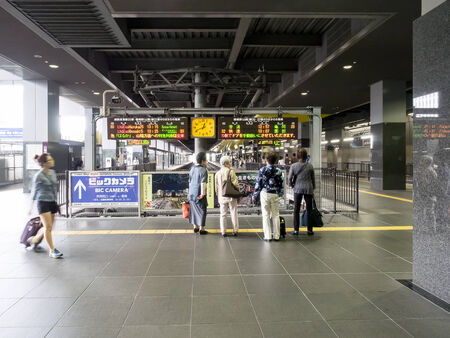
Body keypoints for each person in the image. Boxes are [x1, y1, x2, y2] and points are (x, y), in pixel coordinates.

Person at [28, 153, 63, 258]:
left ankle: (34, 240)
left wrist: (56, 203)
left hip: (52, 202)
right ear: (44, 164)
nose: (52, 161)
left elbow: (54, 188)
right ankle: (52, 250)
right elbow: (34, 192)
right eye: (49, 160)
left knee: (49, 227)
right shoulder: (38, 176)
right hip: (42, 203)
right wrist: (30, 207)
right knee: (48, 227)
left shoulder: (52, 172)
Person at [252, 152, 284, 241]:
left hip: (265, 194)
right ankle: (277, 235)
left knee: (266, 215)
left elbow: (258, 184)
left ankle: (268, 236)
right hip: (275, 194)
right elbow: (281, 185)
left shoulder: (262, 170)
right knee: (276, 214)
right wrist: (280, 194)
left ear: (266, 160)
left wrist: (254, 195)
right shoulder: (279, 171)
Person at [288, 148, 315, 236]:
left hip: (297, 189)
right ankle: (310, 230)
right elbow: (313, 179)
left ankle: (296, 230)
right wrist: (313, 189)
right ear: (306, 156)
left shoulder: (294, 166)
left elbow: (289, 178)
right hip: (308, 189)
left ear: (298, 156)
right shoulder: (310, 166)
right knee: (309, 210)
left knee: (296, 209)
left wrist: (291, 185)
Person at [215, 156, 240, 237]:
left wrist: (218, 195)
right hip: (231, 195)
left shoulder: (217, 173)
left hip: (222, 196)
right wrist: (238, 191)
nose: (230, 163)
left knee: (223, 214)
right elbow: (235, 184)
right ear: (226, 164)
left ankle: (223, 231)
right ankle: (235, 230)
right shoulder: (231, 172)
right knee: (233, 212)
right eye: (229, 162)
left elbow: (216, 187)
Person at [188, 152, 208, 235]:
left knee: (193, 210)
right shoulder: (204, 170)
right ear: (203, 161)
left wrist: (189, 192)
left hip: (192, 193)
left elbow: (189, 181)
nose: (206, 161)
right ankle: (201, 229)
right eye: (206, 160)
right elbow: (203, 183)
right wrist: (203, 194)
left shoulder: (192, 168)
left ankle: (195, 227)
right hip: (199, 193)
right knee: (202, 210)